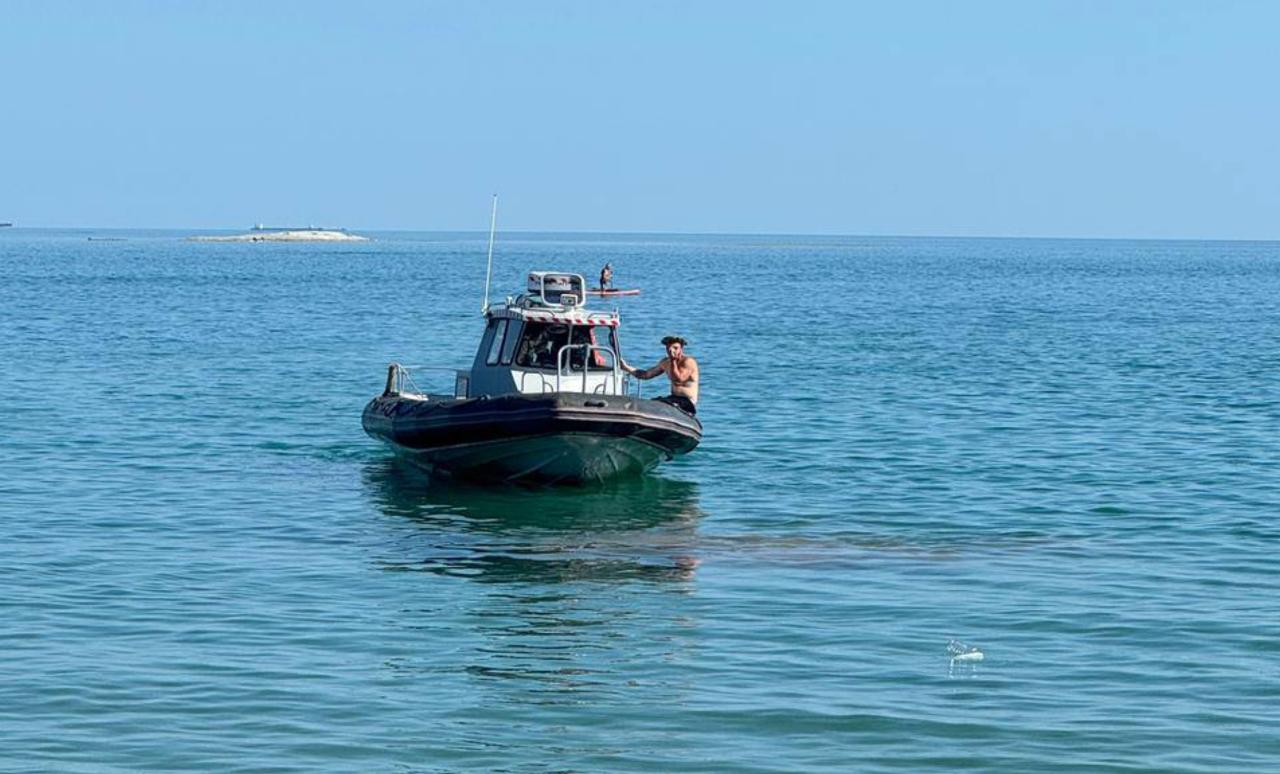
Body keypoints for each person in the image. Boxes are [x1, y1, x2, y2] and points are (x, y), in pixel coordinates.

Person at [623, 335, 699, 415]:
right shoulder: (665, 362)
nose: (672, 351)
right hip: (673, 398)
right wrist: (626, 367)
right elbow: (646, 374)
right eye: (669, 348)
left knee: (663, 405)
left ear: (681, 349)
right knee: (651, 403)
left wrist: (673, 361)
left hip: (687, 402)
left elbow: (677, 379)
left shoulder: (688, 362)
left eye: (675, 348)